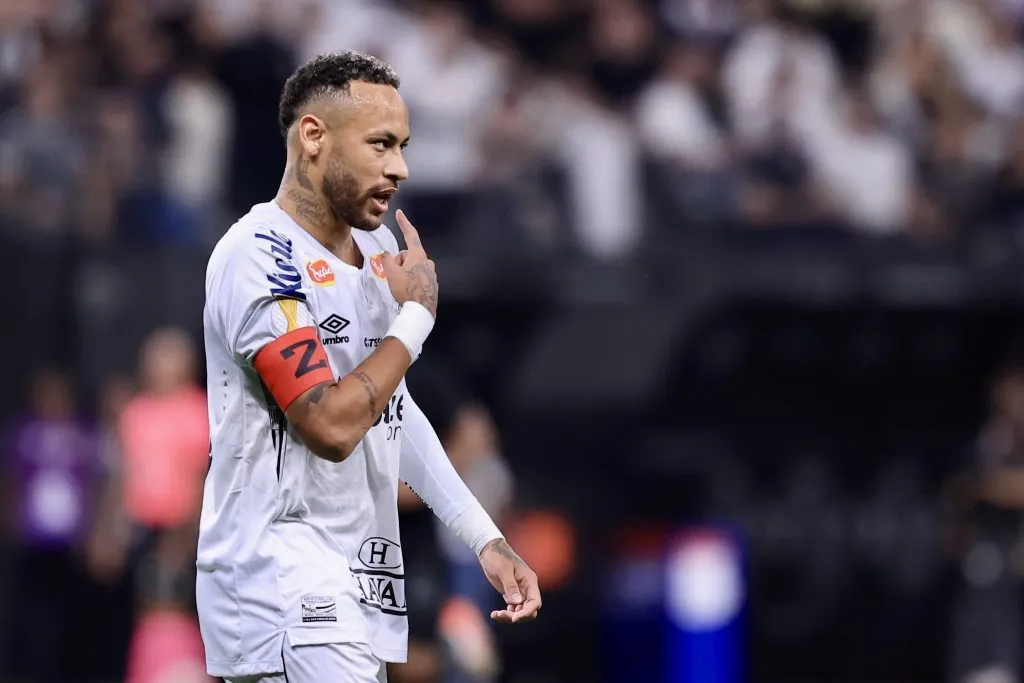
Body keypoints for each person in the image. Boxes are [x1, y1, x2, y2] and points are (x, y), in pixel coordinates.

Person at [197, 50, 541, 683]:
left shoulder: (379, 252)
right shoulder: (259, 257)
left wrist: (483, 538)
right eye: (381, 145)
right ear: (313, 137)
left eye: (403, 146)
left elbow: (392, 412)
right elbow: (328, 425)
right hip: (282, 582)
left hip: (352, 581)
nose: (400, 168)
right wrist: (415, 320)